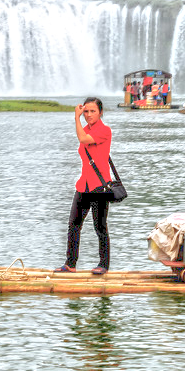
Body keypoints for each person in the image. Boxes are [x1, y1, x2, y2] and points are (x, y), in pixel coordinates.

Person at [59, 97, 113, 275]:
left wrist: (76, 117)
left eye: (93, 111)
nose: (89, 115)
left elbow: (82, 139)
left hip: (99, 186)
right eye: (86, 111)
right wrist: (79, 120)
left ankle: (103, 264)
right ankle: (70, 264)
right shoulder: (86, 129)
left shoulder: (104, 131)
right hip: (84, 185)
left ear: (101, 112)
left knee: (100, 227)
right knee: (73, 225)